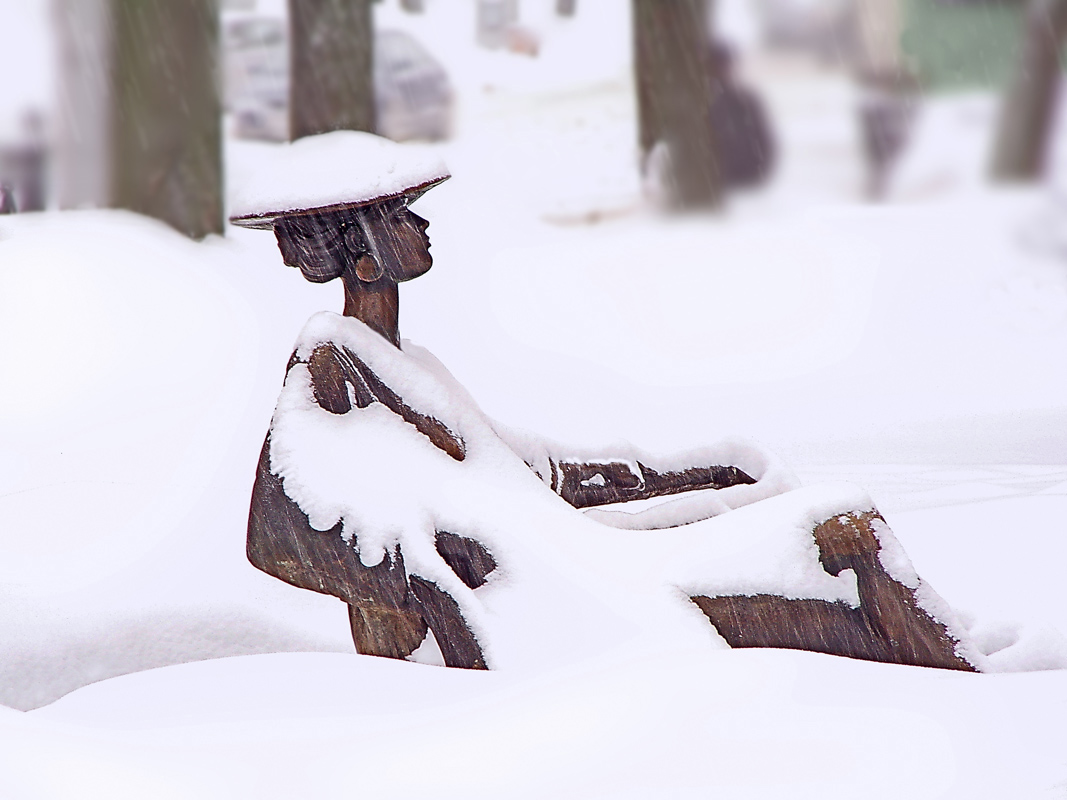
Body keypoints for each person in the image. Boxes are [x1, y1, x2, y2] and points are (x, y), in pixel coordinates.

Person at [230, 132, 975, 673]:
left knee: (796, 512)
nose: (420, 227)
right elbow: (283, 530)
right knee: (838, 531)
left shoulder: (408, 364)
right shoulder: (332, 364)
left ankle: (958, 672)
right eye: (398, 217)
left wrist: (693, 473)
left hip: (579, 564)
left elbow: (538, 475)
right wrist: (437, 550)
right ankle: (971, 698)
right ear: (356, 248)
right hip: (560, 605)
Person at [706, 41, 776, 190]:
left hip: (744, 180)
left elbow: (764, 143)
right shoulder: (706, 101)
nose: (722, 70)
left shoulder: (744, 101)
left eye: (724, 65)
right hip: (733, 179)